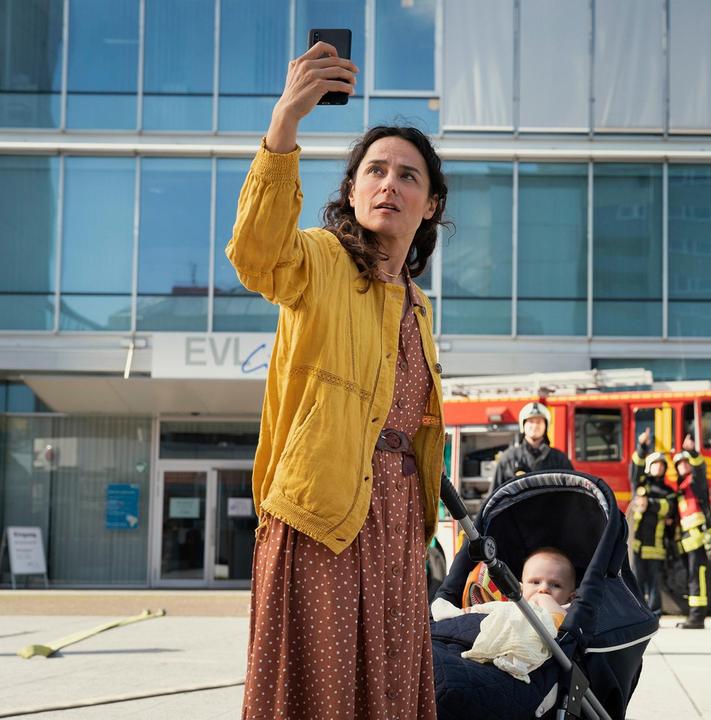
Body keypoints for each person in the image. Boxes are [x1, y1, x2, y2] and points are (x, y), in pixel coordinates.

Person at [233, 40, 447, 719]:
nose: (389, 183)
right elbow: (257, 255)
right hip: (321, 514)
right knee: (320, 696)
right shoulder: (321, 261)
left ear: (431, 204)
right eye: (375, 171)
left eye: (408, 175)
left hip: (396, 524)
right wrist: (284, 125)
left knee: (383, 693)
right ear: (352, 191)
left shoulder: (419, 304)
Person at [671, 434, 711, 629]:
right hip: (687, 541)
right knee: (691, 577)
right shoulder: (681, 489)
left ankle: (697, 618)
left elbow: (700, 468)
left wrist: (691, 451)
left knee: (697, 576)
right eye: (679, 464)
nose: (683, 466)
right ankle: (693, 616)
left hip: (698, 539)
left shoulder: (696, 483)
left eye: (685, 462)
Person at [628, 428, 675, 614]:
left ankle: (655, 613)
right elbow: (635, 468)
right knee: (636, 581)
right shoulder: (641, 484)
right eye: (655, 465)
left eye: (662, 465)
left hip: (656, 545)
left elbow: (669, 507)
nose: (659, 468)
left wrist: (650, 503)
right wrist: (641, 447)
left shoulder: (668, 490)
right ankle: (637, 613)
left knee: (655, 582)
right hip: (637, 544)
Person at [492, 401, 574, 489]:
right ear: (523, 425)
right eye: (531, 421)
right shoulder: (508, 459)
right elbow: (494, 496)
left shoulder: (560, 460)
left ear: (546, 426)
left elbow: (572, 493)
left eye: (539, 422)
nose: (535, 425)